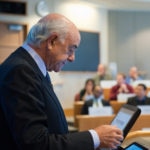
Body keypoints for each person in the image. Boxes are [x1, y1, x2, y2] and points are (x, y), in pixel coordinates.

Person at [0, 13, 123, 150]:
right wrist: (95, 137)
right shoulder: (21, 70)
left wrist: (91, 140)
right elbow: (36, 143)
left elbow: (52, 128)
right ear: (52, 41)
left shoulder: (31, 67)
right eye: (71, 49)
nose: (72, 58)